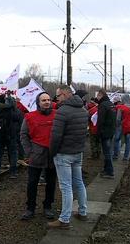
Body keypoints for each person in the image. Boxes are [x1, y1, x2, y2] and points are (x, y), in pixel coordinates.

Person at [48, 85, 88, 229]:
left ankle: (64, 219)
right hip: (78, 152)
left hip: (64, 154)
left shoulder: (62, 111)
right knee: (79, 183)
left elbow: (55, 136)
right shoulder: (83, 110)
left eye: (58, 96)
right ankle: (83, 212)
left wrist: (51, 153)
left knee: (66, 187)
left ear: (64, 95)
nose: (56, 99)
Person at [20, 92, 57, 220]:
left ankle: (48, 206)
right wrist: (29, 152)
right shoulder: (29, 116)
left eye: (48, 99)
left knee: (51, 183)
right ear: (38, 103)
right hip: (36, 154)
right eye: (43, 100)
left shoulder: (57, 115)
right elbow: (24, 135)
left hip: (52, 155)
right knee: (32, 183)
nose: (47, 102)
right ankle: (30, 208)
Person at [0, 93, 19, 178]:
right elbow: (16, 118)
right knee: (13, 152)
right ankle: (13, 172)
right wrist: (13, 106)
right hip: (10, 133)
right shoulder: (9, 110)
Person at [96, 89, 116, 179]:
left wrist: (98, 133)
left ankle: (110, 171)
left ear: (101, 95)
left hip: (105, 132)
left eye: (98, 96)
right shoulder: (111, 104)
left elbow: (100, 120)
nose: (97, 97)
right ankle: (106, 168)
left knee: (107, 152)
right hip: (111, 131)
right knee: (108, 151)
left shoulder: (102, 105)